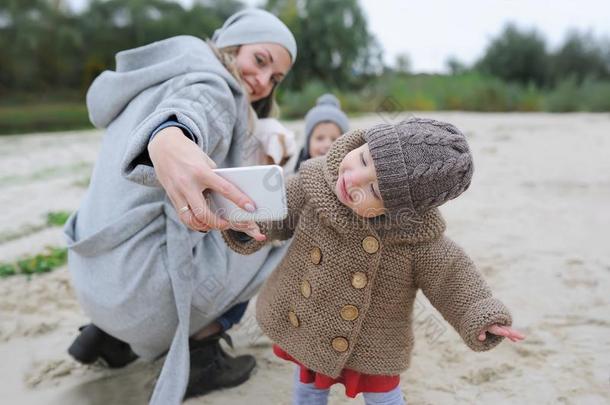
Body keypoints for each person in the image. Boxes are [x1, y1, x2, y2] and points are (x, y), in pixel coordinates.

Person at [63, 8, 297, 404]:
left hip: (90, 282)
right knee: (285, 222)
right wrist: (169, 136)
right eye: (259, 60)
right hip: (140, 299)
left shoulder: (160, 73)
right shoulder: (215, 86)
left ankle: (108, 336)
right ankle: (202, 350)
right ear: (230, 44)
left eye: (274, 79)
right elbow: (193, 110)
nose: (261, 81)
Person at [222, 118, 526, 405]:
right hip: (311, 318)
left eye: (374, 190)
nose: (353, 180)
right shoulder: (313, 185)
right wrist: (246, 221)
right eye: (364, 160)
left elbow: (452, 276)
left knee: (383, 394)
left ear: (401, 212)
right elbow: (277, 212)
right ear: (363, 143)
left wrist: (482, 313)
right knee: (309, 380)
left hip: (375, 337)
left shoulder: (417, 240)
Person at [294, 93, 349, 171]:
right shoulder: (298, 176)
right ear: (308, 142)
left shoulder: (348, 175)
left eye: (334, 139)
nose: (327, 145)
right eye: (320, 138)